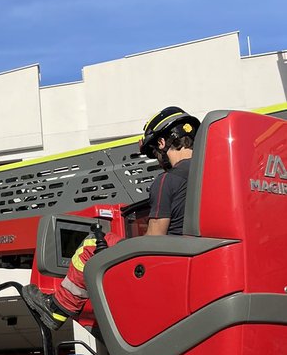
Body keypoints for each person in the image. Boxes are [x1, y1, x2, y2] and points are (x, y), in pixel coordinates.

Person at [22, 106, 200, 332]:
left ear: (163, 143)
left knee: (91, 245)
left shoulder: (168, 181)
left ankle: (57, 308)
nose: (157, 159)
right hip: (193, 269)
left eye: (155, 151)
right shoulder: (213, 176)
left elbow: (153, 242)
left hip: (166, 271)